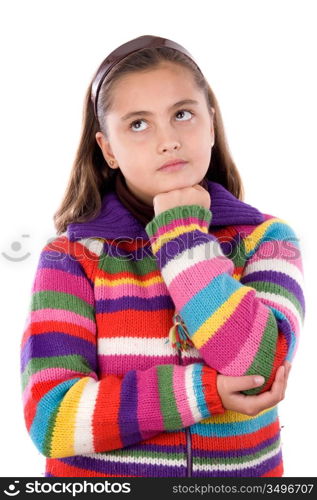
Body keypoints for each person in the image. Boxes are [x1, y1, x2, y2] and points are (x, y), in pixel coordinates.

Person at [20, 35, 305, 478]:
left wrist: (180, 234)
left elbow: (256, 367)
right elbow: (52, 418)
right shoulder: (71, 258)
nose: (168, 140)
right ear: (108, 148)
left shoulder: (269, 240)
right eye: (138, 124)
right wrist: (204, 392)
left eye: (183, 114)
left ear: (210, 124)